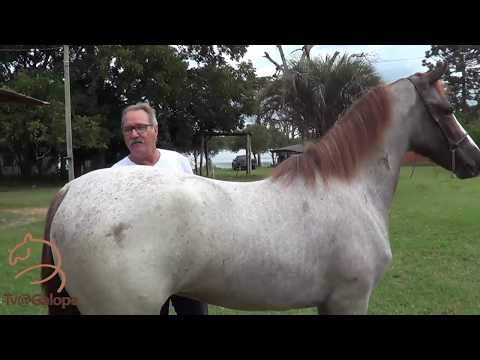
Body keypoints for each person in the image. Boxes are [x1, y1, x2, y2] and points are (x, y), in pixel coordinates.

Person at [112, 102, 208, 315]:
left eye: (141, 127)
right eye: (128, 129)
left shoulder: (179, 162)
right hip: (143, 270)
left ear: (155, 130)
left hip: (187, 267)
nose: (134, 133)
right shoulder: (115, 175)